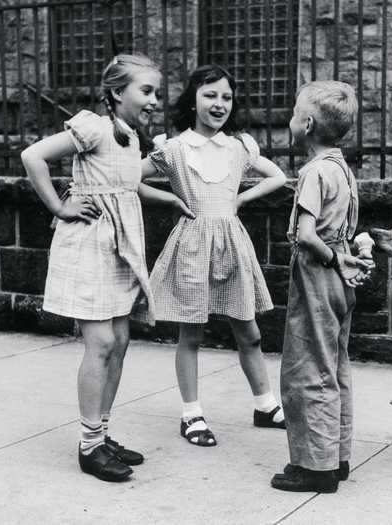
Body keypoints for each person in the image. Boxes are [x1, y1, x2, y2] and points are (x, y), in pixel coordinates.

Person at [21, 54, 190, 482]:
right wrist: (60, 206)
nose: (154, 100)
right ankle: (89, 445)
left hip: (120, 249)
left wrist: (168, 198)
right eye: (146, 90)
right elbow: (33, 156)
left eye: (156, 92)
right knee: (99, 343)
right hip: (89, 245)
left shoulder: (130, 136)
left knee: (119, 339)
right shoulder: (92, 126)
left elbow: (128, 185)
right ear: (117, 92)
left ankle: (102, 433)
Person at [139, 65, 287, 447]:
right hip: (192, 245)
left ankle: (266, 405)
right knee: (191, 333)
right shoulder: (172, 148)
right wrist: (169, 197)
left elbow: (278, 177)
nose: (219, 104)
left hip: (232, 245)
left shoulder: (239, 147)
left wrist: (241, 198)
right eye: (210, 95)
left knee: (249, 331)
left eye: (226, 97)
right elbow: (127, 179)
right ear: (192, 101)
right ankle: (192, 415)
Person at [270, 80, 373, 493]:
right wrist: (344, 259)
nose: (290, 120)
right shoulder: (342, 169)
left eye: (294, 113)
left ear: (307, 124)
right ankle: (336, 456)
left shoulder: (314, 172)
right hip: (340, 275)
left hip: (319, 268)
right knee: (334, 364)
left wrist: (332, 258)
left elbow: (309, 235)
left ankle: (314, 467)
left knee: (306, 367)